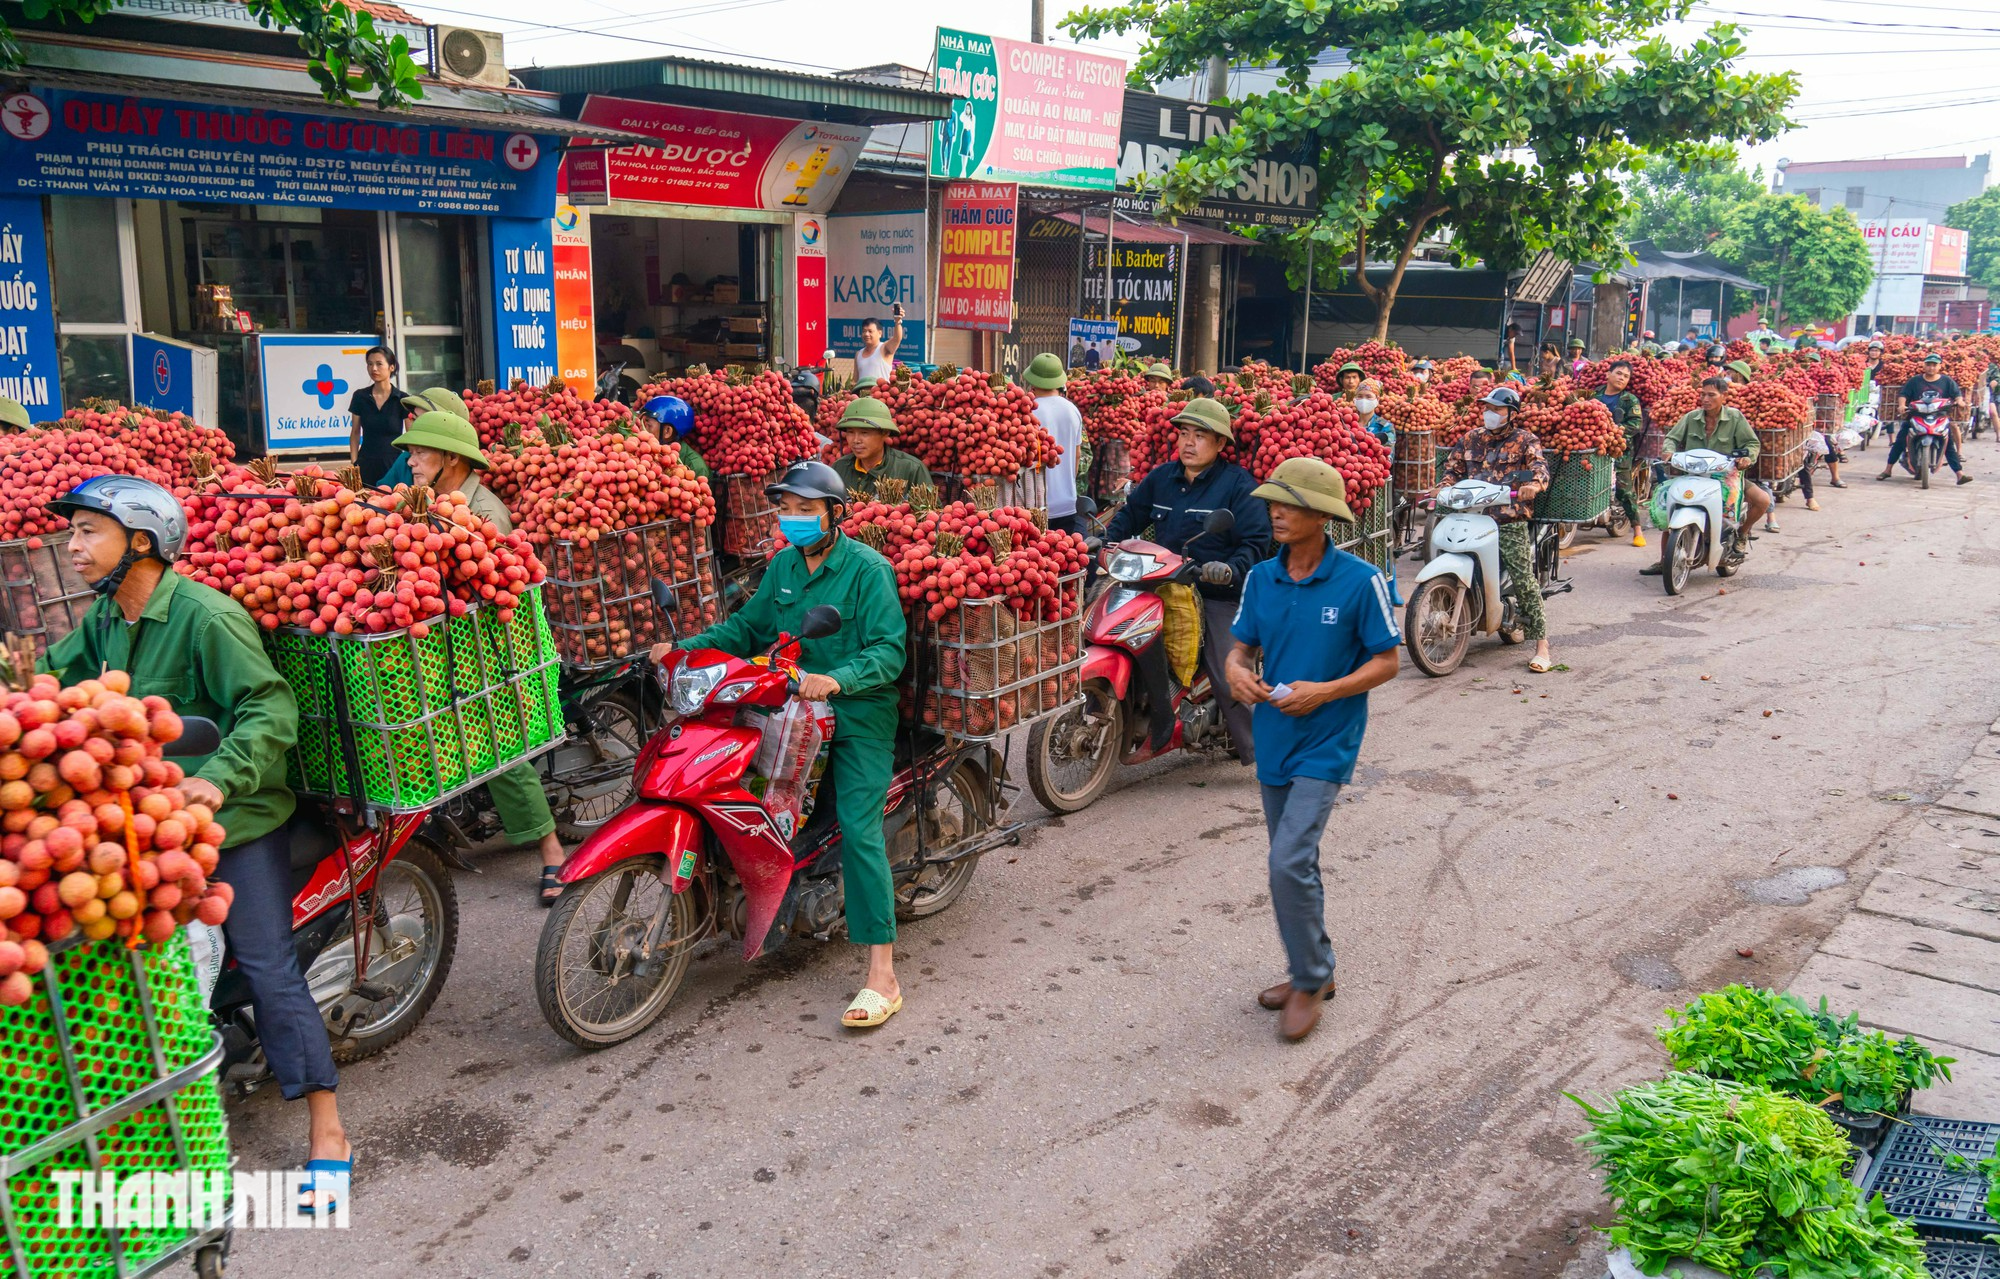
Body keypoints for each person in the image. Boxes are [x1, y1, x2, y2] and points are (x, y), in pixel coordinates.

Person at [39, 476, 350, 1210]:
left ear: (140, 542)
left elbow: (270, 707)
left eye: (88, 531)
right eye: (73, 532)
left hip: (235, 818)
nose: (73, 545)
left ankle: (329, 1130)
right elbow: (54, 673)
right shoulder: (108, 619)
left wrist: (217, 779)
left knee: (272, 967)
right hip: (142, 818)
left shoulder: (206, 616)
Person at [657, 462, 909, 1027]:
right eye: (787, 509)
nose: (793, 519)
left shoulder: (869, 570)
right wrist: (681, 650)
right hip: (789, 703)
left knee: (858, 825)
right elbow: (743, 629)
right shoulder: (783, 567)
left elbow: (890, 651)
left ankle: (882, 976)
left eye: (805, 510)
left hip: (858, 710)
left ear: (833, 514)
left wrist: (838, 678)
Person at [1225, 458, 1401, 1042]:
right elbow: (1241, 649)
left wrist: (1327, 690)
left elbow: (1386, 661)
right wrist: (1236, 672)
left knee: (1286, 861)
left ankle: (1309, 979)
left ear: (1322, 517)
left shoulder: (1359, 580)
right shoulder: (1261, 579)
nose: (1275, 511)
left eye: (1290, 504)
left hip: (1328, 739)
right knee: (1293, 862)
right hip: (1275, 734)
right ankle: (1316, 969)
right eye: (1273, 501)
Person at [392, 411, 567, 902]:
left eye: (419, 451)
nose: (410, 460)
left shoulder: (485, 511)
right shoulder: (422, 503)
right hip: (437, 642)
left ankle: (551, 852)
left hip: (485, 647)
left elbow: (492, 589)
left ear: (450, 458)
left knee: (499, 749)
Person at [1102, 397, 1272, 762]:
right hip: (1160, 584)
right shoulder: (1163, 477)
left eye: (1200, 435)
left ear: (1222, 444)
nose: (1188, 443)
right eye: (1183, 434)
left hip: (1216, 594)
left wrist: (1228, 569)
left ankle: (1265, 750)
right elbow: (1131, 514)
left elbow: (1256, 544)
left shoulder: (1239, 486)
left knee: (1229, 675)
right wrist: (1102, 540)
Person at [1439, 387, 1556, 673]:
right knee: (1441, 550)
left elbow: (1540, 469)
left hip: (1508, 518)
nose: (1490, 413)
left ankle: (1542, 645)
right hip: (1470, 515)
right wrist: (1443, 486)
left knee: (1522, 575)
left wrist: (1534, 485)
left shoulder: (1525, 440)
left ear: (1511, 414)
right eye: (1487, 408)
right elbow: (1452, 471)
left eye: (1497, 409)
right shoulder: (1470, 438)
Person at [1642, 377, 1768, 573]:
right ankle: (1664, 560)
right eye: (1703, 394)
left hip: (1725, 476)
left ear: (1724, 397)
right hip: (1693, 475)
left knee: (1763, 500)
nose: (1706, 399)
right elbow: (1672, 438)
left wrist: (1747, 458)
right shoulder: (1691, 417)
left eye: (1711, 395)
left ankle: (1741, 534)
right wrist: (1668, 451)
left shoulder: (1735, 418)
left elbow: (1752, 444)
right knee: (1670, 506)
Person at [1882, 351, 1973, 485]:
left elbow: (1957, 395)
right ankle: (1888, 469)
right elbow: (1904, 394)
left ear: (1940, 366)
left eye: (1934, 365)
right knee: (1901, 440)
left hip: (1939, 417)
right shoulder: (1915, 381)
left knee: (1948, 443)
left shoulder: (1947, 381)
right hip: (1916, 416)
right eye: (1929, 365)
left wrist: (1960, 401)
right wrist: (1902, 405)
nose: (1931, 367)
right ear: (1924, 366)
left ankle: (1959, 474)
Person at [1023, 353, 1087, 534]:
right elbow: (1077, 456)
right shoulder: (1072, 410)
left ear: (1032, 381)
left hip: (1034, 505)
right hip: (1067, 502)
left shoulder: (1027, 411)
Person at [830, 396, 931, 499]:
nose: (856, 440)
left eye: (864, 433)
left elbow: (932, 512)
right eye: (850, 432)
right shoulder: (839, 468)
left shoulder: (912, 469)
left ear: (885, 433)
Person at [1596, 360, 1648, 547]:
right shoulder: (1595, 395)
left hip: (1620, 449)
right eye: (1618, 373)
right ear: (1608, 374)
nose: (1621, 378)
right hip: (1595, 446)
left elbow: (1635, 424)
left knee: (1624, 490)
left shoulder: (1629, 400)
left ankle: (1637, 529)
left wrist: (1613, 431)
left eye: (1626, 376)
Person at [347, 345, 408, 487]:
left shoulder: (402, 399)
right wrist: (354, 462)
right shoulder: (360, 396)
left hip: (393, 464)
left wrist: (408, 464)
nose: (373, 368)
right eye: (370, 364)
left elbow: (411, 435)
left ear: (391, 367)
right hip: (365, 463)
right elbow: (355, 432)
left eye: (379, 364)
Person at [643, 394, 711, 481]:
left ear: (667, 431)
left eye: (648, 425)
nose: (642, 429)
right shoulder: (644, 452)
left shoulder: (696, 467)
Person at [854, 304, 904, 383]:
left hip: (881, 394)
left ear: (880, 333)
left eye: (870, 331)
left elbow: (897, 339)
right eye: (864, 331)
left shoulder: (884, 348)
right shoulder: (858, 354)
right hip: (862, 394)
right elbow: (855, 380)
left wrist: (898, 321)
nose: (866, 334)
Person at [1353, 378, 1392, 449]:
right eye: (1360, 396)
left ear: (1377, 399)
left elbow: (1387, 455)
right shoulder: (1349, 423)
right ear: (1354, 399)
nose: (1364, 400)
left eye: (1368, 396)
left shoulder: (1385, 426)